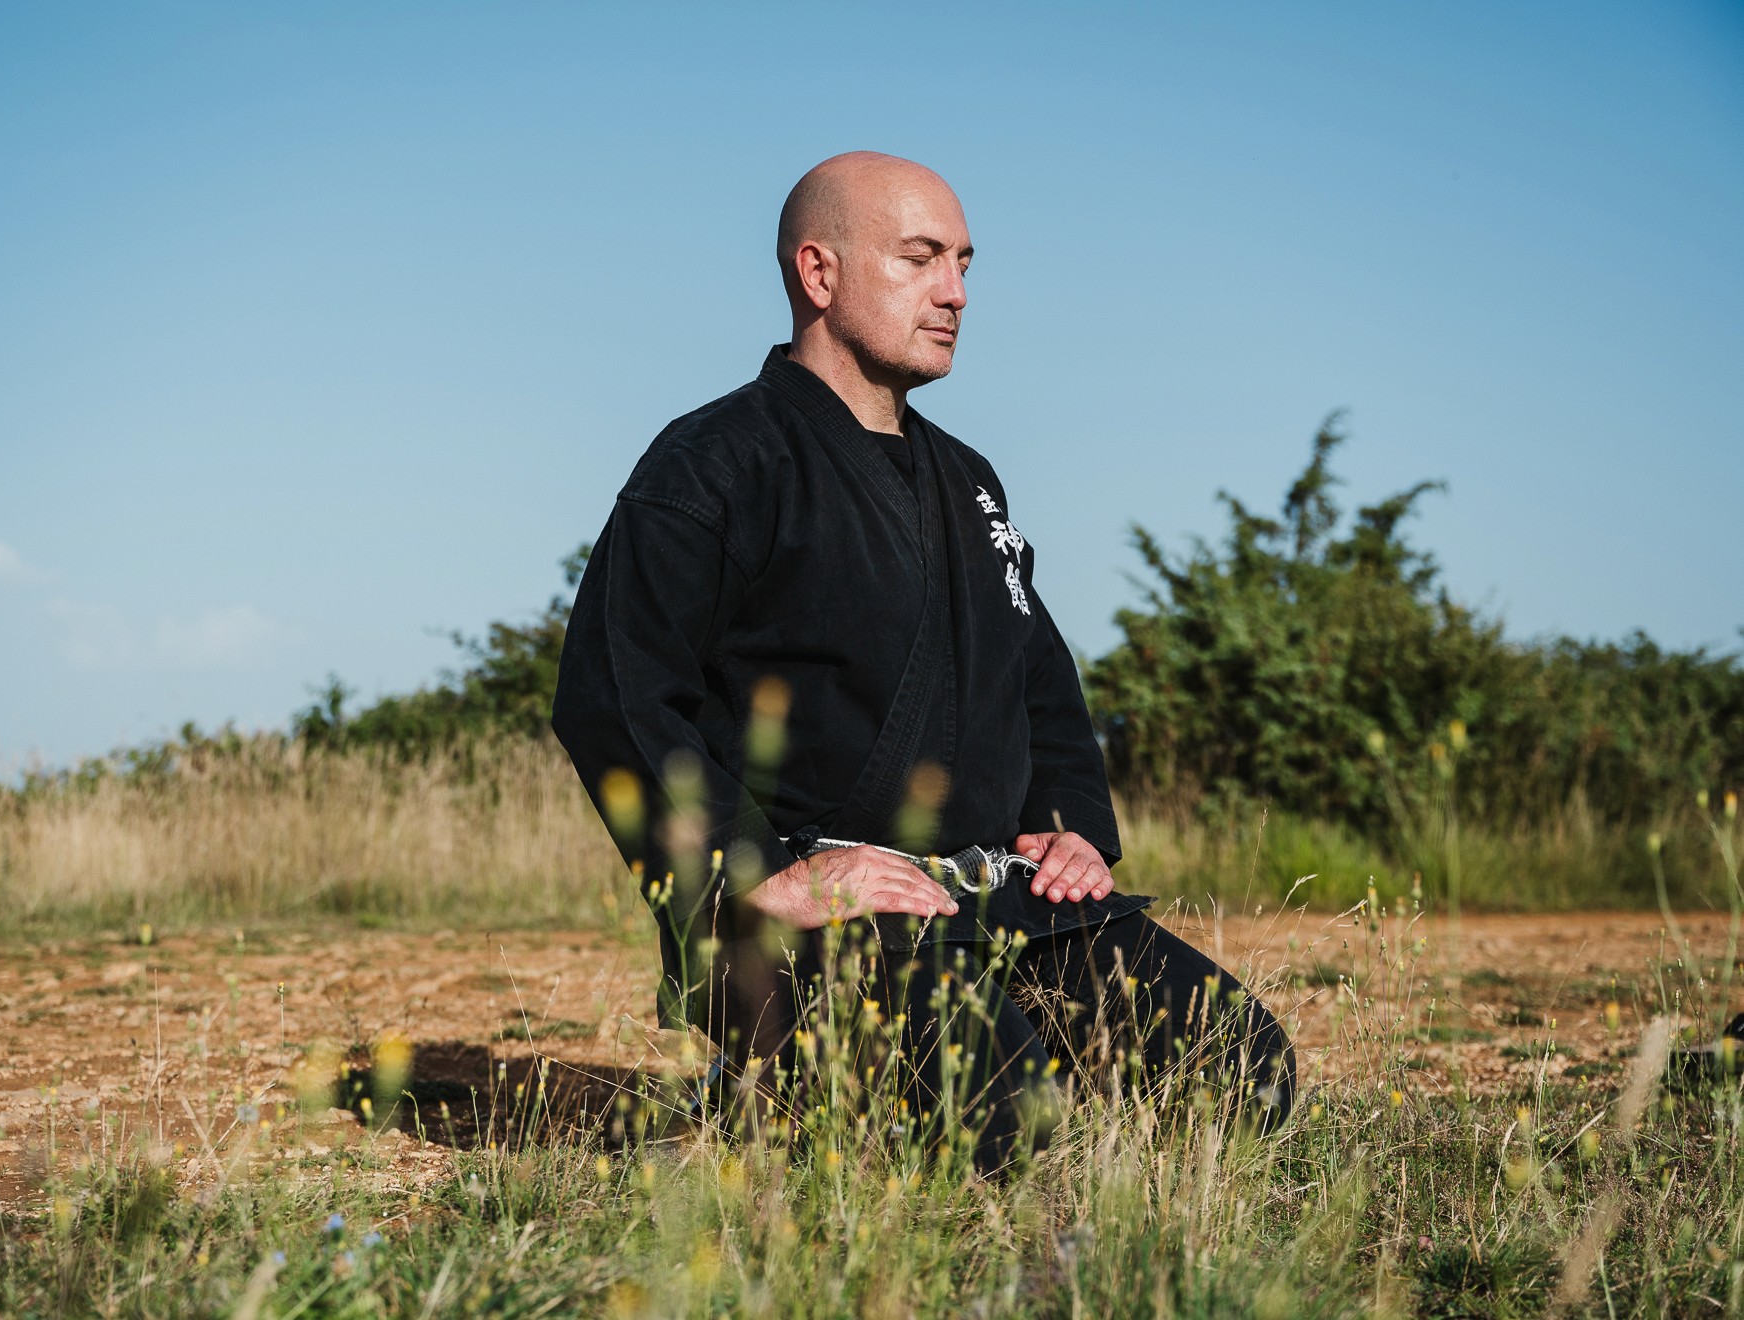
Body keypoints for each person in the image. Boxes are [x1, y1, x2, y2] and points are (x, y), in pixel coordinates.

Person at [551, 151, 1293, 1172]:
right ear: (820, 273)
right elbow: (616, 691)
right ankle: (768, 1082)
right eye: (920, 259)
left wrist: (1070, 828)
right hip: (827, 923)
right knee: (1006, 1130)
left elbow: (1038, 678)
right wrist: (759, 876)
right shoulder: (716, 461)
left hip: (1001, 904)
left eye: (964, 263)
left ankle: (967, 1057)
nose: (956, 293)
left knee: (1246, 1074)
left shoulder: (968, 480)